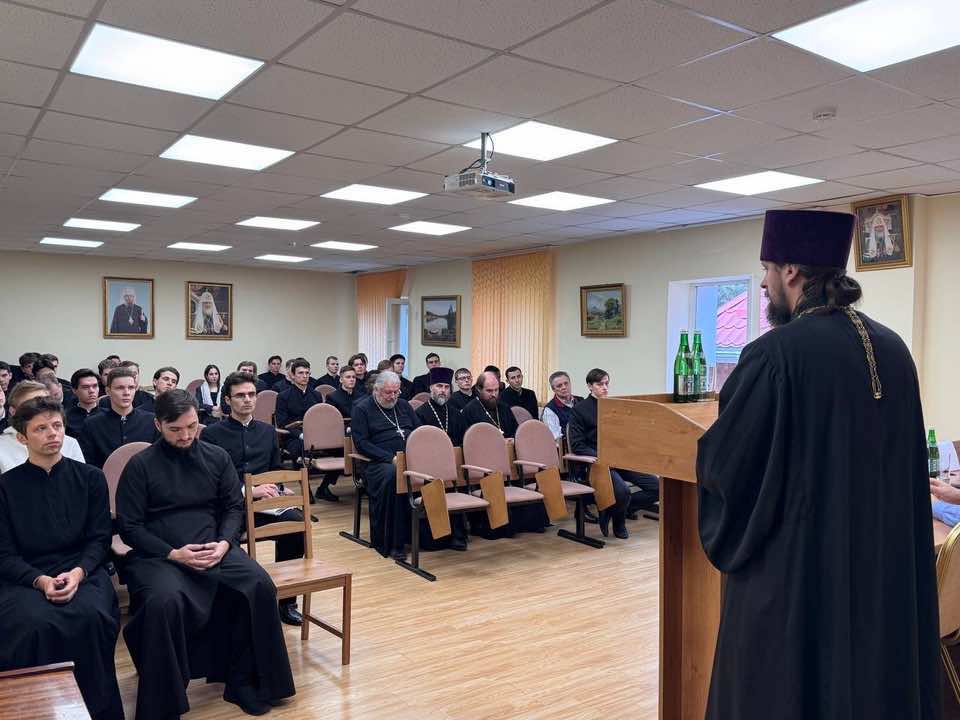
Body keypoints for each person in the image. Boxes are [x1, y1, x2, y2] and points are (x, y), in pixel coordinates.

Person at [696, 209, 939, 719]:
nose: (764, 283)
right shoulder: (894, 349)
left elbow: (729, 470)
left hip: (797, 582)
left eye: (767, 270)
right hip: (879, 577)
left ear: (791, 271)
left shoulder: (774, 355)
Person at [116, 390, 295, 719]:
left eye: (191, 427)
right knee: (163, 602)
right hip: (161, 554)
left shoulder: (216, 456)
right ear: (158, 425)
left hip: (215, 545)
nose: (185, 436)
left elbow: (233, 507)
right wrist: (173, 553)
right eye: (175, 430)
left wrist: (225, 543)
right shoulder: (140, 465)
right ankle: (165, 703)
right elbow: (130, 527)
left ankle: (244, 681)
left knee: (258, 584)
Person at [0, 396, 123, 720]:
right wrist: (40, 581)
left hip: (83, 569)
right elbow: (4, 553)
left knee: (92, 616)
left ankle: (97, 711)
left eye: (57, 425)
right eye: (41, 428)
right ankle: (37, 711)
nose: (52, 433)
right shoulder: (5, 486)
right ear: (22, 437)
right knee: (32, 623)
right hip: (25, 575)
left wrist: (78, 573)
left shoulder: (91, 478)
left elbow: (99, 539)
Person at [201, 373, 304, 626]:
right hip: (229, 508)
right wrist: (247, 491)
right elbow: (210, 480)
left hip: (263, 507)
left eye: (251, 394)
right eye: (240, 395)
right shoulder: (212, 434)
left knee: (295, 525)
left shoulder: (267, 431)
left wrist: (280, 488)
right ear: (227, 400)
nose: (247, 400)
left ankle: (287, 601)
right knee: (227, 542)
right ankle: (237, 604)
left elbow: (275, 467)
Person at [569, 368, 658, 539]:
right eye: (600, 384)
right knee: (622, 491)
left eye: (606, 384)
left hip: (620, 459)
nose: (605, 388)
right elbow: (577, 445)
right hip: (597, 462)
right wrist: (603, 457)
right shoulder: (579, 410)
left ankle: (616, 509)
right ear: (590, 386)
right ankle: (619, 522)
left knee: (657, 487)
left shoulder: (614, 407)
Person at [350, 371, 420, 559]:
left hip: (410, 459)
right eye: (388, 392)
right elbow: (362, 443)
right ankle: (394, 543)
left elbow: (419, 431)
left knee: (432, 473)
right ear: (377, 390)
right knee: (393, 476)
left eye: (396, 392)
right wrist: (390, 458)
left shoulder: (403, 405)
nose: (393, 397)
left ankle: (427, 537)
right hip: (377, 463)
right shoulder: (362, 409)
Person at [79, 368, 157, 469]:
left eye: (131, 387)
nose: (126, 392)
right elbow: (87, 464)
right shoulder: (92, 424)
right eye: (120, 388)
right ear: (108, 391)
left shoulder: (151, 421)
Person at [0, 381, 85, 473]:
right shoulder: (2, 446)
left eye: (46, 404)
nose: (41, 411)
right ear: (13, 411)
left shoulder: (70, 443)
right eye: (30, 407)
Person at [275, 358, 318, 462]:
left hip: (314, 434)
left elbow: (319, 419)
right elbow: (282, 423)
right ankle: (303, 471)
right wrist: (300, 434)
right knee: (300, 448)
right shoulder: (283, 396)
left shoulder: (316, 395)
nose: (305, 376)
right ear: (293, 375)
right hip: (292, 436)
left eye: (307, 373)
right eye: (301, 373)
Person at [461, 371, 519, 439]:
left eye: (496, 390)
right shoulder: (469, 411)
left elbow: (516, 432)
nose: (494, 394)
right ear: (479, 389)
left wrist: (512, 440)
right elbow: (468, 440)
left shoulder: (504, 407)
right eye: (489, 391)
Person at [415, 367, 465, 447]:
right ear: (431, 388)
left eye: (447, 387)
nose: (443, 390)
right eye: (439, 386)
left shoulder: (456, 414)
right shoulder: (420, 414)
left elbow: (463, 441)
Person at [541, 371, 583, 440]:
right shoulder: (549, 410)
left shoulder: (581, 401)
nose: (564, 387)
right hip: (569, 444)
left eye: (566, 383)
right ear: (553, 389)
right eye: (559, 386)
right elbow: (556, 438)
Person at [66, 369, 101, 439]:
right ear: (74, 390)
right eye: (85, 387)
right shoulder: (66, 417)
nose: (91, 391)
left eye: (95, 386)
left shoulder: (109, 415)